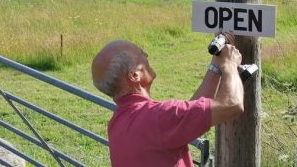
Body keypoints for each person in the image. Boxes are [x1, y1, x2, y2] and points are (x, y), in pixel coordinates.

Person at [91, 34, 244, 167]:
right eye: (140, 53)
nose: (146, 55)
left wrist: (216, 65)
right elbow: (232, 104)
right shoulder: (159, 117)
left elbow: (186, 117)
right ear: (134, 76)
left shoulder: (118, 123)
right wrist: (229, 64)